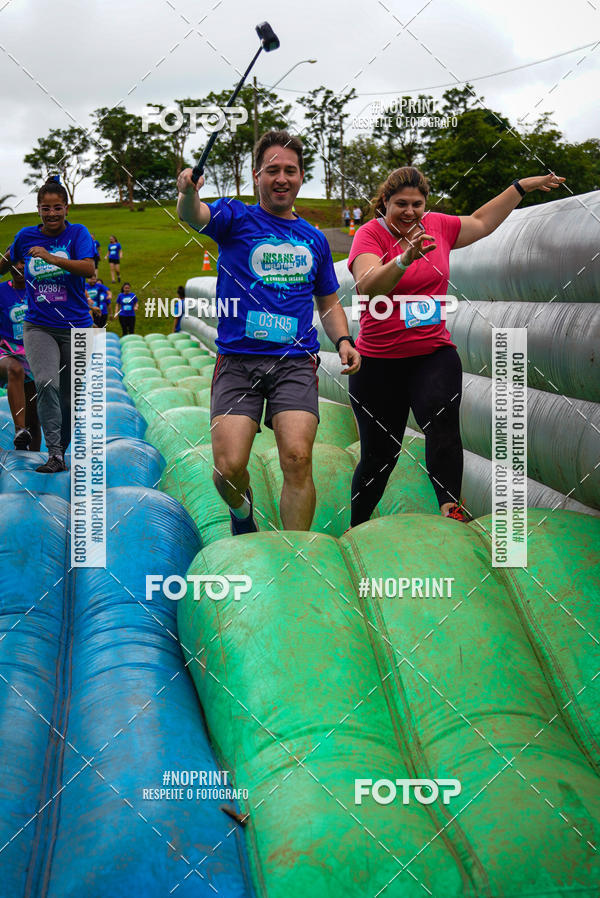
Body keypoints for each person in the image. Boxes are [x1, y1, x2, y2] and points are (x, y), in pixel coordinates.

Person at [347, 165, 564, 525]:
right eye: (401, 203)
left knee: (442, 422)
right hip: (378, 362)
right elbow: (369, 285)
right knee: (380, 455)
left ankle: (450, 509)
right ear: (385, 202)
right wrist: (403, 259)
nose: (410, 212)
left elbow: (482, 221)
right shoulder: (370, 235)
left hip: (432, 352)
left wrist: (520, 186)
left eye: (417, 204)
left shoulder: (438, 227)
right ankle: (357, 527)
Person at [177, 129, 361, 536]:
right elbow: (193, 216)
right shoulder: (235, 218)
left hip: (294, 363)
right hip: (238, 362)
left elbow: (328, 302)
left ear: (300, 177)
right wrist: (188, 191)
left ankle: (294, 556)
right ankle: (243, 515)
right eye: (273, 169)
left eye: (291, 171)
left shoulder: (313, 239)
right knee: (228, 468)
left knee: (297, 457)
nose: (282, 178)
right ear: (257, 174)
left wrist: (344, 340)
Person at [1, 176, 95, 473]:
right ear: (38, 209)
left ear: (66, 208)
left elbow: (88, 268)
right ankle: (54, 453)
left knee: (69, 396)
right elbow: (5, 262)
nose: (51, 213)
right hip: (38, 325)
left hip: (76, 326)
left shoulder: (78, 234)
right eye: (45, 208)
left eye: (57, 208)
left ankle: (62, 450)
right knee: (45, 383)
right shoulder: (25, 237)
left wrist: (50, 258)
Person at [0, 256, 41, 450]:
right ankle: (19, 429)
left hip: (31, 353)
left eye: (23, 262)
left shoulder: (39, 291)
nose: (18, 267)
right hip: (5, 350)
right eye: (14, 262)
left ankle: (29, 463)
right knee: (14, 369)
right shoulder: (1, 291)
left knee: (34, 416)